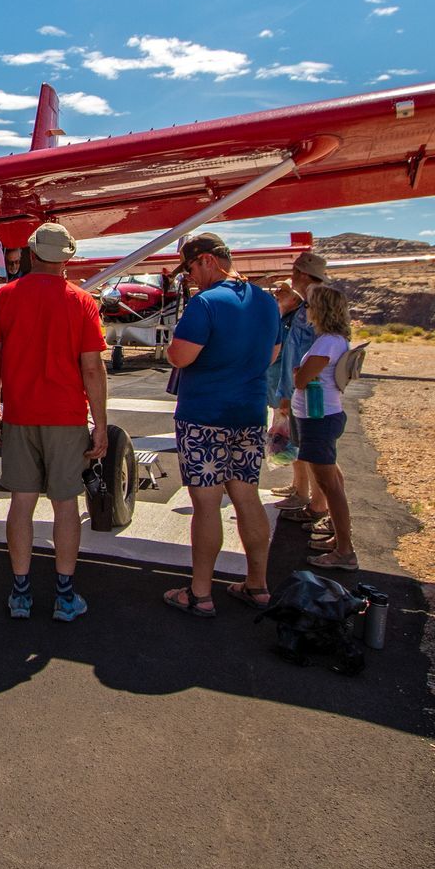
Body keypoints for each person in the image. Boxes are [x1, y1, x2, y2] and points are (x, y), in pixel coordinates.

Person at [0, 222, 109, 623]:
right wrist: (100, 423)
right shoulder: (82, 301)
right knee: (65, 504)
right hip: (66, 418)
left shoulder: (5, 296)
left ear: (33, 254)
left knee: (21, 502)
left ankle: (21, 593)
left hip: (19, 415)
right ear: (67, 260)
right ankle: (65, 596)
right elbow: (92, 369)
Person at [162, 231, 281, 617]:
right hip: (249, 412)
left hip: (204, 417)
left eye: (192, 268)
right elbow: (273, 353)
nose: (191, 277)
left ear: (209, 260)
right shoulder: (267, 302)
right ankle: (258, 584)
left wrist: (171, 346)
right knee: (247, 495)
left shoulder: (204, 304)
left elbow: (180, 357)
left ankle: (200, 593)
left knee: (207, 503)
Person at [295, 283, 358, 571]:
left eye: (309, 306)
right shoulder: (335, 340)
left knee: (329, 485)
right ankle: (340, 541)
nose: (306, 310)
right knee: (333, 479)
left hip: (319, 420)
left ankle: (345, 550)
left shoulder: (327, 343)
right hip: (324, 416)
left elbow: (301, 379)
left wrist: (299, 372)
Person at [267, 252, 329, 524]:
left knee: (313, 450)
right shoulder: (308, 307)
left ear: (302, 274)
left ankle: (317, 503)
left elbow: (306, 354)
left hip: (305, 391)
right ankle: (304, 492)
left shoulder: (313, 310)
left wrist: (292, 392)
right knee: (302, 445)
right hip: (299, 389)